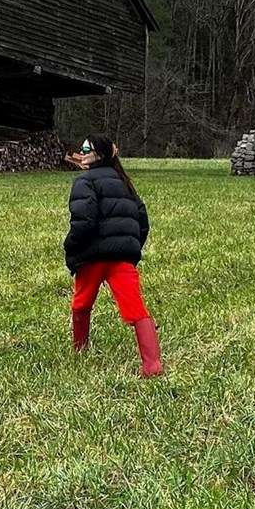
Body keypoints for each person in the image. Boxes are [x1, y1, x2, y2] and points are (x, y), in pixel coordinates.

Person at [63, 135, 164, 377]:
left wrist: (71, 246)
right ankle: (152, 365)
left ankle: (80, 349)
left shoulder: (84, 181)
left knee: (81, 304)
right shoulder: (125, 182)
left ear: (99, 155)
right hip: (122, 257)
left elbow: (84, 221)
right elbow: (142, 221)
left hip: (92, 257)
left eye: (86, 149)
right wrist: (130, 246)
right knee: (136, 309)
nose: (81, 152)